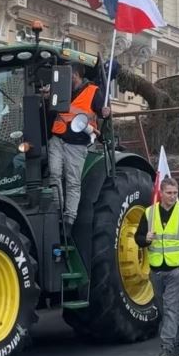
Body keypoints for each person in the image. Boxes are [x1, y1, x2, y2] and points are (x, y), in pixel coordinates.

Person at [135, 177, 179, 356]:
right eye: (169, 193)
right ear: (161, 193)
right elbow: (138, 238)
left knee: (171, 309)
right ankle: (177, 348)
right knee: (165, 310)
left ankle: (167, 349)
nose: (173, 196)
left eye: (175, 193)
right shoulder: (149, 212)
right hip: (156, 270)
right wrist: (146, 239)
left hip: (176, 271)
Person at [47, 63, 109, 235]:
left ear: (75, 75)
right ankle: (58, 211)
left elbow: (103, 113)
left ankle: (69, 219)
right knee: (54, 174)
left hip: (77, 143)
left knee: (73, 182)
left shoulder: (93, 91)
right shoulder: (60, 90)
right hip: (58, 138)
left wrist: (106, 112)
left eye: (70, 74)